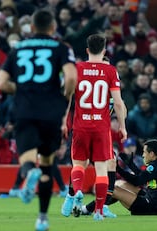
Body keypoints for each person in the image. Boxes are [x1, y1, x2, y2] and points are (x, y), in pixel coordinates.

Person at [0, 9, 77, 231]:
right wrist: (63, 97)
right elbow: (71, 77)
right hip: (51, 112)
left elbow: (0, 83)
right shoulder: (62, 48)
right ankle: (42, 218)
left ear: (31, 28)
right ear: (53, 28)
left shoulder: (18, 49)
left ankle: (29, 170)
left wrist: (20, 90)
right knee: (48, 163)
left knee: (27, 158)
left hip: (25, 110)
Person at [61, 33, 127, 221]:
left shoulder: (76, 69)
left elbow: (67, 97)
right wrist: (122, 126)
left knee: (78, 165)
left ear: (87, 50)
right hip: (101, 128)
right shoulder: (110, 71)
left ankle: (77, 192)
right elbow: (119, 103)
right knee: (101, 170)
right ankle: (98, 211)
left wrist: (63, 122)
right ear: (104, 50)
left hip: (81, 126)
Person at [114, 139, 157, 215]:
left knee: (114, 190)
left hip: (153, 207)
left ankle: (102, 208)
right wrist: (131, 165)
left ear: (151, 154)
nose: (143, 155)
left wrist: (118, 169)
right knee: (123, 185)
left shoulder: (154, 167)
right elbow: (143, 176)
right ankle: (103, 207)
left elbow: (137, 181)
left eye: (144, 152)